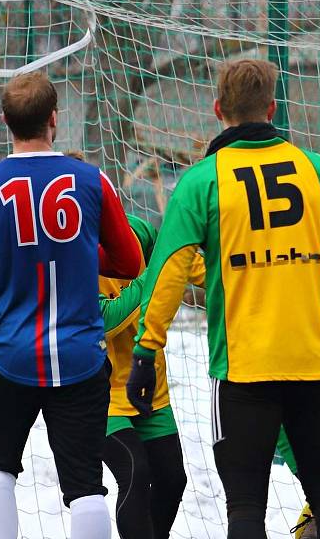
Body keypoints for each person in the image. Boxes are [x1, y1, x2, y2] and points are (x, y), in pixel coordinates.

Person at [126, 59, 320, 539]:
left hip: (243, 370)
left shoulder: (202, 181)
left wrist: (146, 348)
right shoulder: (316, 170)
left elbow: (168, 273)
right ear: (273, 108)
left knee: (244, 508)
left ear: (218, 109)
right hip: (313, 363)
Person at [0, 71, 142, 539]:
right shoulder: (92, 178)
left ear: (4, 120)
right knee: (85, 488)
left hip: (7, 355)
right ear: (55, 119)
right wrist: (81, 253)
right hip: (80, 357)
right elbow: (130, 261)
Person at [98, 213, 205, 539]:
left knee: (173, 479)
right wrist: (155, 275)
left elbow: (179, 257)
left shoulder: (134, 229)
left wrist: (229, 276)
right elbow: (104, 317)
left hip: (148, 383)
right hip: (100, 393)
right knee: (134, 472)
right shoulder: (70, 249)